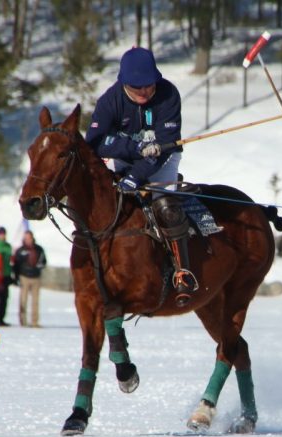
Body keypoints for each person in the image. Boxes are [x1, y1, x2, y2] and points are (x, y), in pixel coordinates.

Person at [85, 46, 197, 307]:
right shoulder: (109, 101)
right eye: (137, 87)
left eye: (149, 85)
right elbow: (95, 141)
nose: (144, 91)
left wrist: (136, 177)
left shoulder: (168, 94)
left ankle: (183, 272)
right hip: (126, 158)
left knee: (166, 206)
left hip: (164, 158)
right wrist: (132, 149)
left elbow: (165, 144)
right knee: (112, 209)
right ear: (123, 83)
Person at [12, 230, 47, 327]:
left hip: (36, 277)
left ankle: (34, 322)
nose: (28, 240)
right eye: (26, 238)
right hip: (24, 277)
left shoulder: (39, 249)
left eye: (29, 238)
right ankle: (23, 321)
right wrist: (16, 277)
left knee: (35, 301)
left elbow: (44, 261)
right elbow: (16, 265)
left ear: (32, 238)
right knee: (23, 300)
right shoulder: (20, 250)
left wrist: (40, 265)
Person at [0, 226, 13, 326]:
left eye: (4, 234)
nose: (2, 236)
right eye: (1, 234)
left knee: (4, 299)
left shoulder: (8, 246)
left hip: (5, 274)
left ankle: (1, 318)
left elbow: (10, 260)